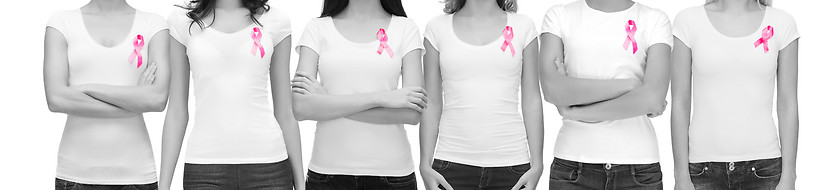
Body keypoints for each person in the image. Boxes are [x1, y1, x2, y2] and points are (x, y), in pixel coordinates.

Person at [161, 0, 304, 189]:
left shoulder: (276, 20)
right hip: (204, 167)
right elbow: (177, 112)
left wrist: (301, 184)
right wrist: (163, 186)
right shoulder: (182, 21)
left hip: (269, 167)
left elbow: (285, 112)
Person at [290, 0, 424, 189]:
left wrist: (327, 102)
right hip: (327, 174)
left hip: (392, 175)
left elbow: (412, 113)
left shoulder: (406, 28)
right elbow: (301, 108)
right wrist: (380, 98)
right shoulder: (317, 28)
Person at [539, 0, 672, 189]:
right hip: (573, 166)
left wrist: (576, 112)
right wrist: (630, 85)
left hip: (639, 169)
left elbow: (653, 99)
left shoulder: (655, 19)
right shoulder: (559, 15)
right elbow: (553, 89)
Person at [671, 0, 800, 189]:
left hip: (765, 169)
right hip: (701, 171)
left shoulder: (782, 23)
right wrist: (681, 176)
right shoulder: (688, 21)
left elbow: (788, 104)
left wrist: (789, 176)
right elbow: (680, 103)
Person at [44, 0, 170, 189]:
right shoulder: (61, 23)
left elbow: (157, 99)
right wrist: (134, 102)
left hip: (137, 175)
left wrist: (87, 88)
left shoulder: (154, 25)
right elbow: (56, 99)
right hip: (74, 175)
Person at [419, 0, 543, 189]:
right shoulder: (437, 28)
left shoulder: (523, 26)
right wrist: (425, 165)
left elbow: (532, 100)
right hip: (451, 164)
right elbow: (432, 103)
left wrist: (538, 164)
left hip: (513, 166)